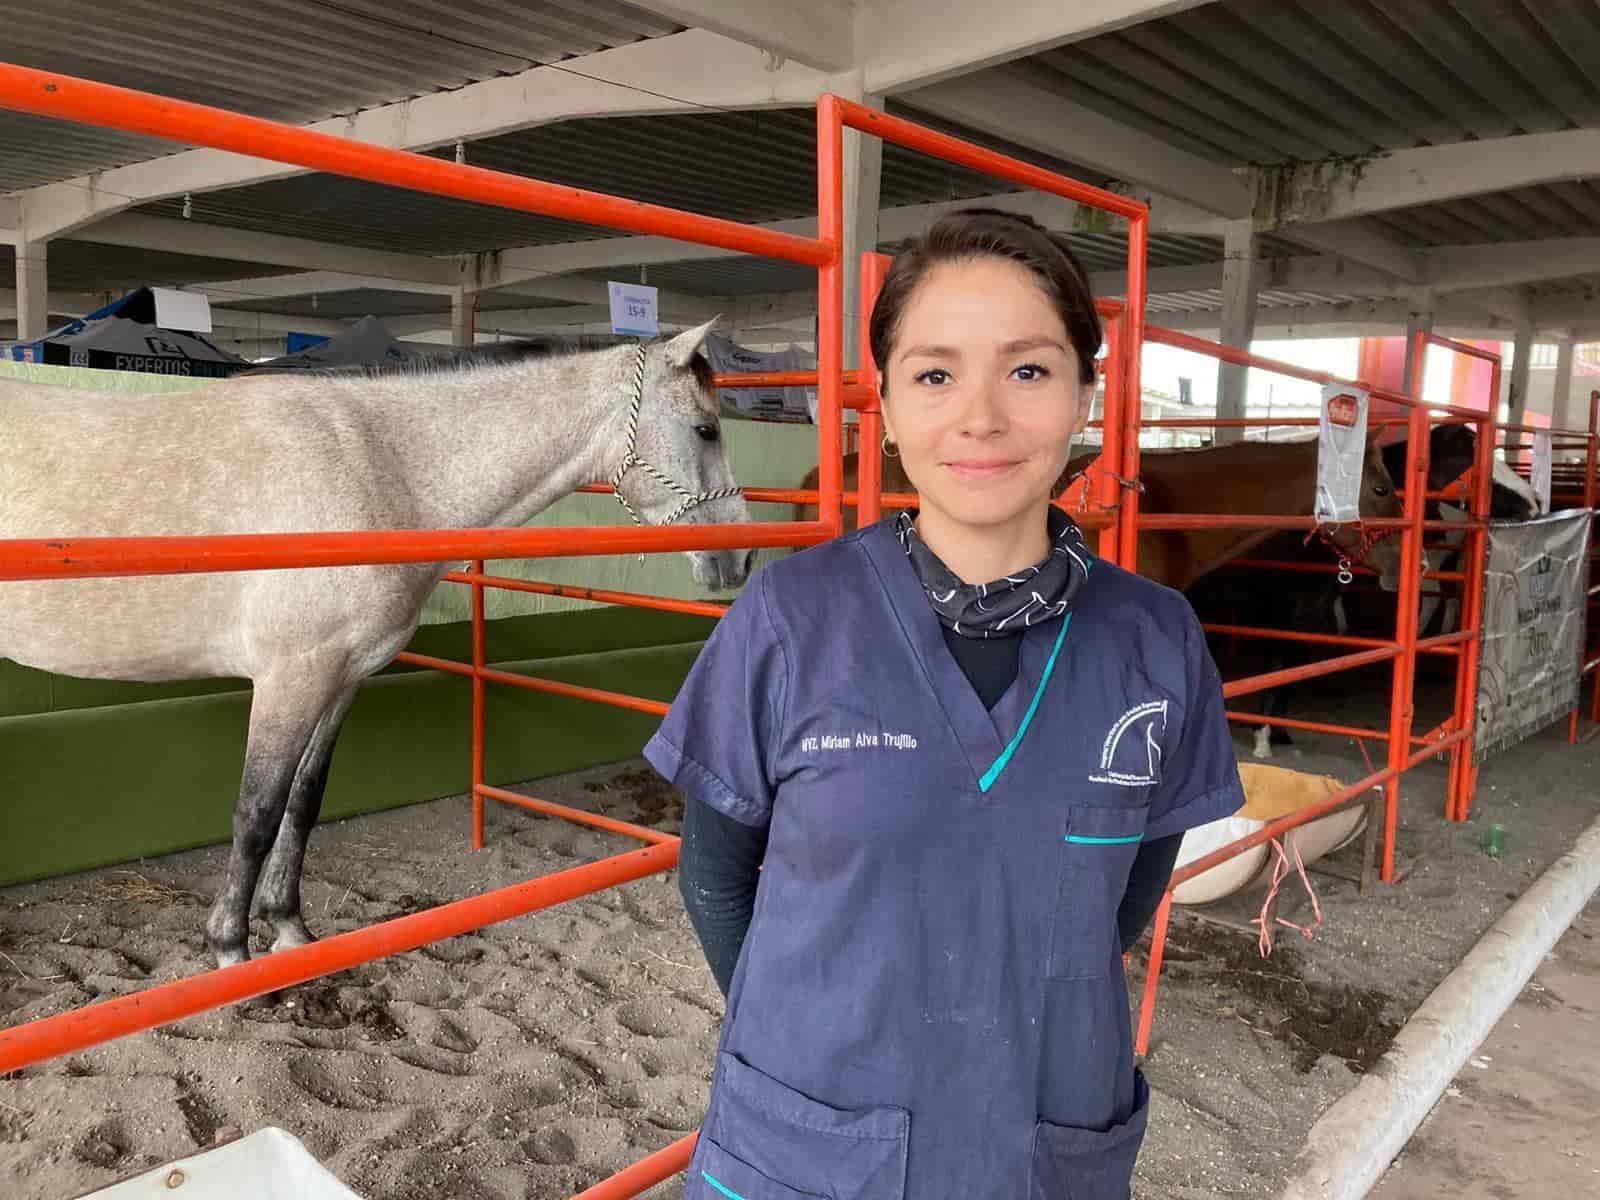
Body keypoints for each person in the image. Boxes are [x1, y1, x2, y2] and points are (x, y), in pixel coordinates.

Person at [644, 208, 1244, 1200]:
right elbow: (714, 877)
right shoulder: (789, 617)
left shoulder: (1154, 640)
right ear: (882, 400)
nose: (979, 418)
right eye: (934, 373)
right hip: (808, 1137)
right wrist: (816, 1027)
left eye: (1027, 370)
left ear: (1084, 395)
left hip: (1043, 1137)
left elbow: (1123, 901)